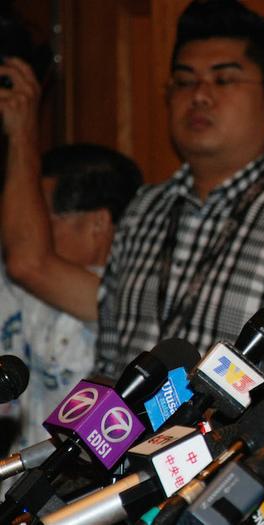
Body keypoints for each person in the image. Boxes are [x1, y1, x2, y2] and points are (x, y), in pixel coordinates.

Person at [2, 0, 264, 379]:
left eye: (223, 79)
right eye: (185, 80)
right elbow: (108, 364)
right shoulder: (145, 210)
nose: (200, 95)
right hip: (125, 437)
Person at [0, 144, 142, 450]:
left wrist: (22, 127)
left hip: (85, 491)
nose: (29, 227)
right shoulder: (17, 287)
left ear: (98, 223)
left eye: (42, 216)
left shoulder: (127, 298)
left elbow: (28, 262)